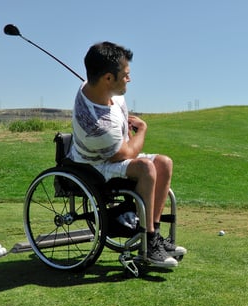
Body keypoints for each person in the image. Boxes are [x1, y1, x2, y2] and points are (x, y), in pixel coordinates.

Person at [68, 41, 186, 268]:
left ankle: (154, 235)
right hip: (94, 165)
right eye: (126, 75)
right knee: (146, 168)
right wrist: (142, 130)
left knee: (164, 162)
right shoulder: (97, 124)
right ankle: (149, 242)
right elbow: (128, 152)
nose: (129, 79)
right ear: (108, 79)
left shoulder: (99, 86)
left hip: (111, 151)